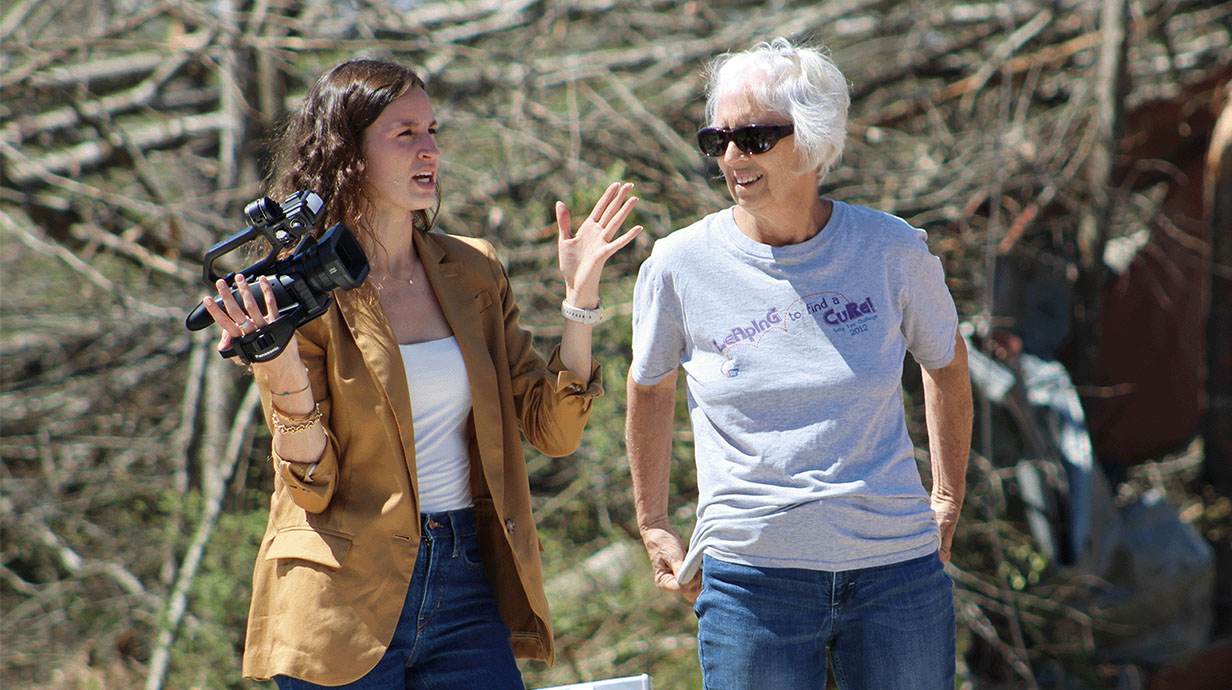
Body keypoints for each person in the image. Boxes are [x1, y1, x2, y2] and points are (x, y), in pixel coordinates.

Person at [200, 57, 642, 689]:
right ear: (348, 154)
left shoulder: (474, 270)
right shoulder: (302, 291)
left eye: (433, 130)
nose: (430, 148)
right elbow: (310, 484)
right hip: (339, 592)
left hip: (464, 580)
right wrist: (279, 362)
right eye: (405, 134)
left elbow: (555, 433)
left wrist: (581, 297)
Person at [625, 38, 973, 690]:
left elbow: (947, 364)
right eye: (716, 139)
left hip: (898, 577)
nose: (731, 156)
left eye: (753, 137)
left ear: (813, 141)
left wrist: (948, 495)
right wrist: (652, 523)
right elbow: (648, 387)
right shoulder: (677, 265)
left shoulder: (892, 249)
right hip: (751, 584)